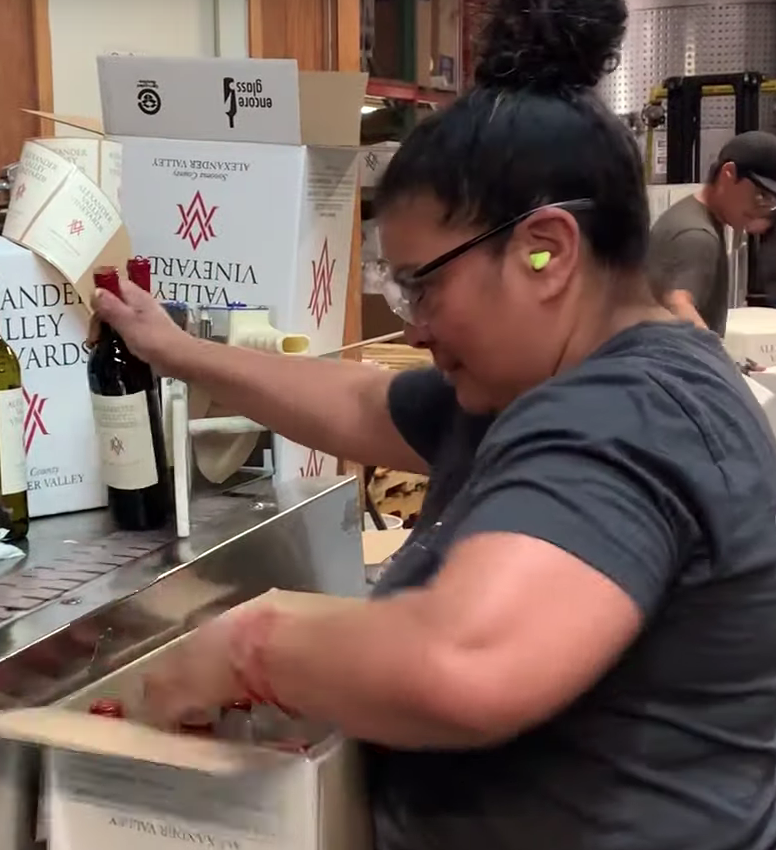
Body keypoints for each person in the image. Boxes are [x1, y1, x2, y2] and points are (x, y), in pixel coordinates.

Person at [91, 1, 776, 848]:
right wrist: (179, 351)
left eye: (422, 286)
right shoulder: (549, 380)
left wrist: (245, 645)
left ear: (545, 251)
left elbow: (463, 665)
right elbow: (359, 404)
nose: (411, 325)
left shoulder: (624, 417)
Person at [646, 131, 776, 335]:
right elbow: (677, 304)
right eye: (761, 196)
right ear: (728, 174)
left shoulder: (695, 216)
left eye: (772, 202)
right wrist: (720, 363)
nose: (764, 209)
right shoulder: (697, 234)